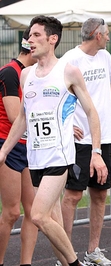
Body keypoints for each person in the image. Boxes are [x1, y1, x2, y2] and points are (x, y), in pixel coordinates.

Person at [0, 15, 108, 266]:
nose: (30, 40)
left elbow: (92, 112)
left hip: (59, 157)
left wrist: (96, 152)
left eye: (36, 35)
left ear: (53, 38)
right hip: (34, 159)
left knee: (37, 215)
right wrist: (4, 151)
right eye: (29, 35)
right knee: (53, 224)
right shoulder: (26, 75)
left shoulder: (68, 71)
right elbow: (23, 119)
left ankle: (75, 264)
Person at [57, 18, 111, 266]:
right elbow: (56, 93)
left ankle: (93, 251)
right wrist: (67, 123)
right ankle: (65, 256)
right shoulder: (70, 60)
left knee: (100, 194)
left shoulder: (106, 57)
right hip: (80, 140)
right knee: (72, 195)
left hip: (104, 138)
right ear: (96, 35)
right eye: (106, 34)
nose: (109, 38)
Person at [0, 28, 38, 266]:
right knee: (12, 212)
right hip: (8, 144)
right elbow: (16, 117)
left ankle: (26, 263)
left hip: (30, 146)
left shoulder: (35, 74)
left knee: (34, 213)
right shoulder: (10, 73)